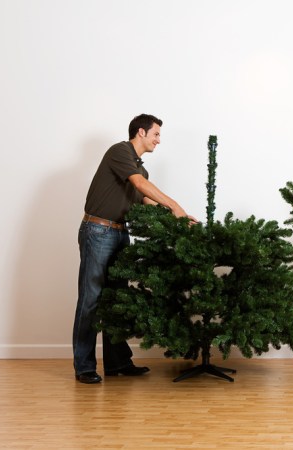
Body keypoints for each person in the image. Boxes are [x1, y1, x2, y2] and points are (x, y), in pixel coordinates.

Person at [73, 114, 198, 384]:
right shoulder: (120, 151)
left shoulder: (141, 170)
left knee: (117, 301)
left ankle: (117, 363)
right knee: (91, 299)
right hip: (98, 231)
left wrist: (177, 217)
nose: (159, 140)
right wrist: (175, 205)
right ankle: (84, 366)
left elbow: (144, 199)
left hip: (119, 233)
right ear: (141, 132)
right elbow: (141, 186)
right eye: (156, 134)